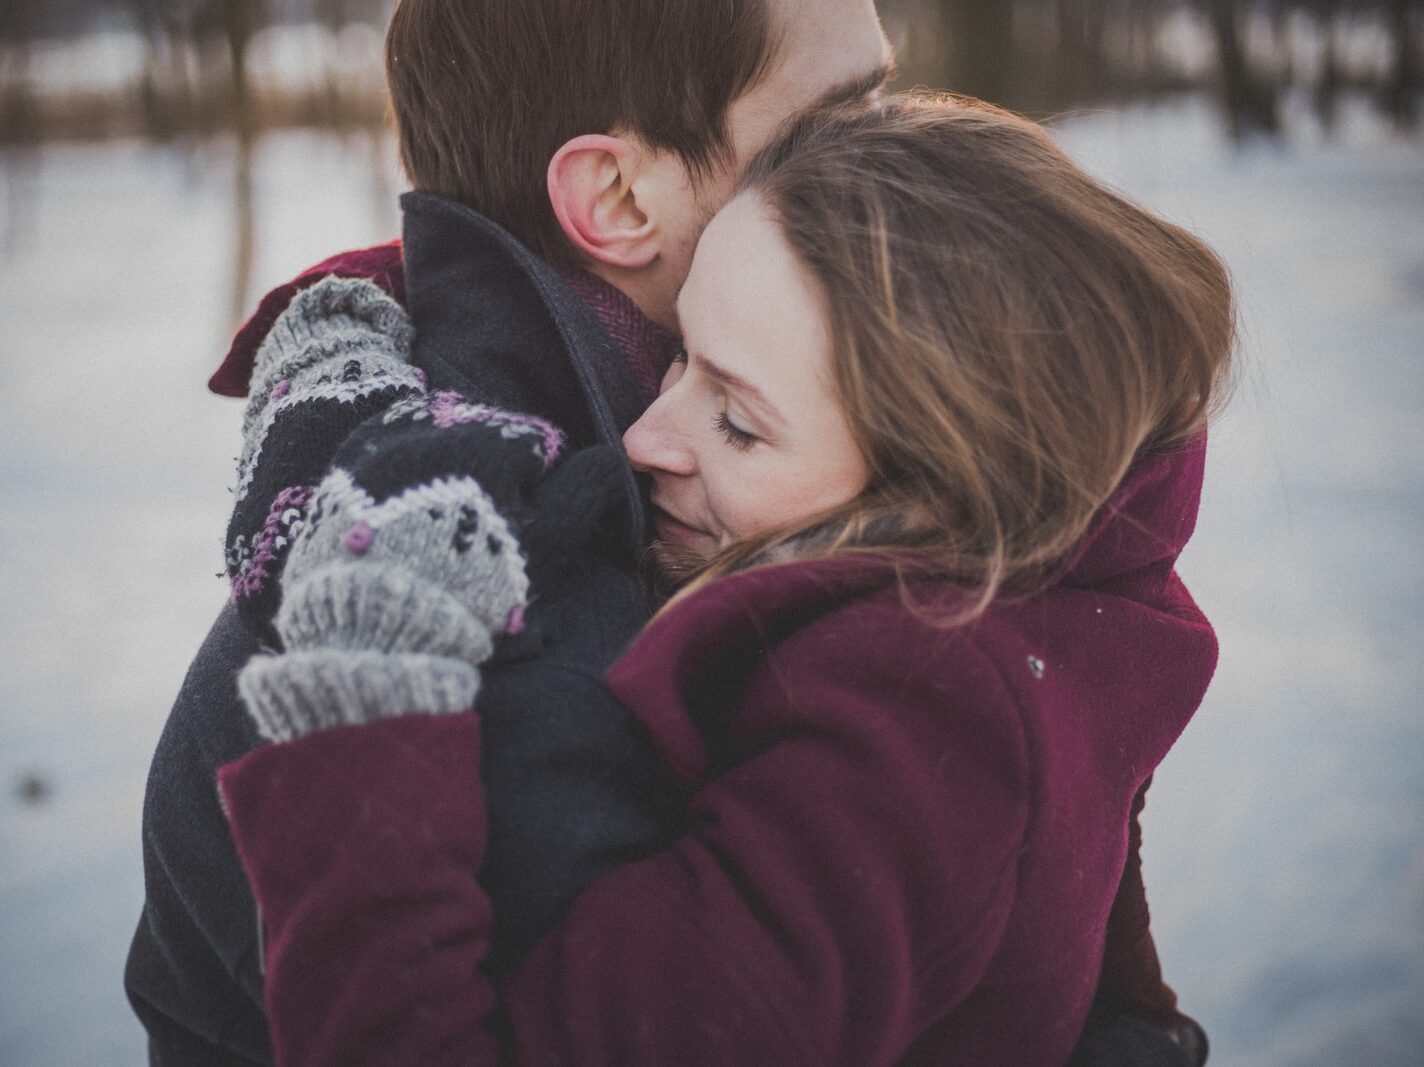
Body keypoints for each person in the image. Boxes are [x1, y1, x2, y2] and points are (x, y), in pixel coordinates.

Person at [214, 94, 1233, 1065]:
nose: (644, 438)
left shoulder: (913, 737)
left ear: (938, 490)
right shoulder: (1055, 610)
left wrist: (367, 686)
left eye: (739, 422)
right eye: (679, 354)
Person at [124, 0, 894, 1061]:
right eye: (840, 121)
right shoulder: (515, 629)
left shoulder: (677, 472)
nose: (904, 157)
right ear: (616, 197)